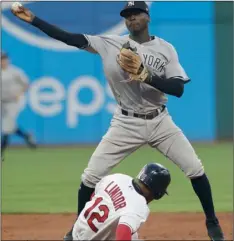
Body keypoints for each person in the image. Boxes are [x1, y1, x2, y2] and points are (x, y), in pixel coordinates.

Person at [11, 2, 224, 240]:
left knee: (195, 169)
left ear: (148, 17)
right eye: (127, 16)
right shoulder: (109, 43)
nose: (132, 19)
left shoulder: (166, 49)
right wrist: (34, 20)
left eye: (136, 14)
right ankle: (78, 230)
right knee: (90, 177)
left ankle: (212, 224)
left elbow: (178, 89)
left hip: (160, 121)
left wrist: (147, 75)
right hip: (125, 123)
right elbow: (68, 38)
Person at [72, 163, 171, 240]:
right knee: (130, 234)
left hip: (76, 231)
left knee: (133, 236)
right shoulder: (139, 207)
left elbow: (94, 195)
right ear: (159, 194)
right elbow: (123, 231)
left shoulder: (118, 177)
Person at [1, 52, 37, 161]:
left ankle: (1, 154)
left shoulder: (15, 71)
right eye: (1, 59)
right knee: (10, 126)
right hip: (1, 102)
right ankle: (26, 136)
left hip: (13, 102)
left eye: (4, 59)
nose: (3, 61)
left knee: (7, 128)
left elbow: (26, 83)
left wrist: (20, 93)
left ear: (8, 60)